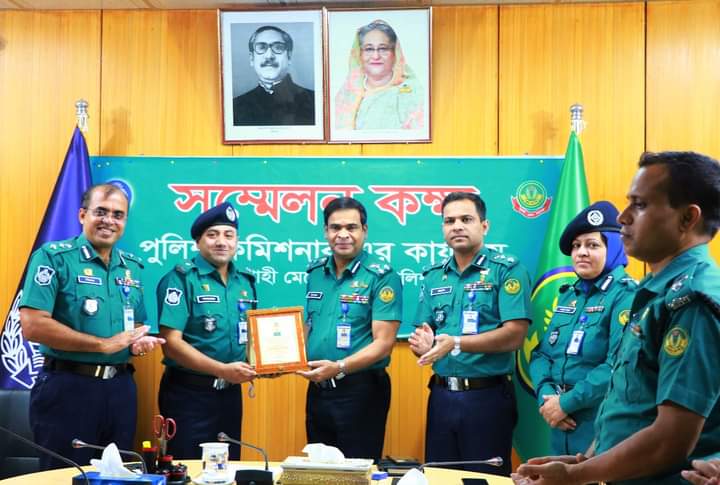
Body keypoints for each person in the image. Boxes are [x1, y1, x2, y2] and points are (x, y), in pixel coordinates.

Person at [513, 151, 720, 485]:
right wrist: (586, 458)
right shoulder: (656, 291)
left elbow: (670, 440)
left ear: (687, 218)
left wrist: (575, 475)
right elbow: (630, 400)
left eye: (639, 205)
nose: (622, 218)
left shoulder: (691, 300)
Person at [19, 183, 164, 470]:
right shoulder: (53, 258)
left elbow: (135, 325)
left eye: (118, 215)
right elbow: (33, 326)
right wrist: (102, 345)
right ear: (82, 215)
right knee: (65, 476)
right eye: (101, 212)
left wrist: (137, 343)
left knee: (117, 475)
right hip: (68, 387)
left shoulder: (132, 268)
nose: (109, 220)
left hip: (120, 389)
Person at [409, 191, 532, 476]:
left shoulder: (507, 270)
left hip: (486, 397)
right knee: (441, 478)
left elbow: (515, 335)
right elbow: (424, 332)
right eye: (449, 221)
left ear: (484, 226)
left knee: (484, 479)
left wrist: (456, 343)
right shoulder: (432, 276)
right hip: (441, 395)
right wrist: (423, 344)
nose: (457, 226)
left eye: (466, 219)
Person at [297, 197, 402, 461]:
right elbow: (310, 325)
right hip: (318, 388)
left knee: (356, 468)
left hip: (361, 390)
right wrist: (285, 361)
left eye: (351, 227)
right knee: (319, 468)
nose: (343, 234)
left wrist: (340, 367)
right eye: (335, 227)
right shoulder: (316, 273)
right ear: (326, 231)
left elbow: (383, 343)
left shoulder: (381, 276)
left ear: (364, 230)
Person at [529, 201, 636, 456]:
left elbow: (618, 366)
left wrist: (566, 403)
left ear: (614, 247)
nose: (581, 253)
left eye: (592, 245)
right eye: (576, 246)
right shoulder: (570, 295)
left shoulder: (627, 295)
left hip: (600, 423)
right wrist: (547, 398)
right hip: (559, 421)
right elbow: (541, 354)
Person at [156, 202, 257, 460]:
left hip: (230, 395)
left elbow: (251, 337)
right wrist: (221, 370)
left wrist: (266, 364)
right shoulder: (181, 279)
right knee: (187, 465)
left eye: (229, 235)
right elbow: (171, 343)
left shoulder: (245, 282)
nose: (221, 242)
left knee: (227, 466)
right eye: (212, 235)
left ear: (237, 241)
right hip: (188, 395)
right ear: (198, 241)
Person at [334, 20, 424, 131]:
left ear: (395, 53)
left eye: (383, 48)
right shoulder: (346, 93)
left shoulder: (410, 93)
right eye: (369, 49)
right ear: (359, 54)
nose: (376, 56)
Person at [233, 25, 315, 126]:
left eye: (278, 47)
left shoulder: (314, 102)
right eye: (261, 47)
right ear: (251, 59)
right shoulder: (235, 107)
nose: (269, 56)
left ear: (289, 57)